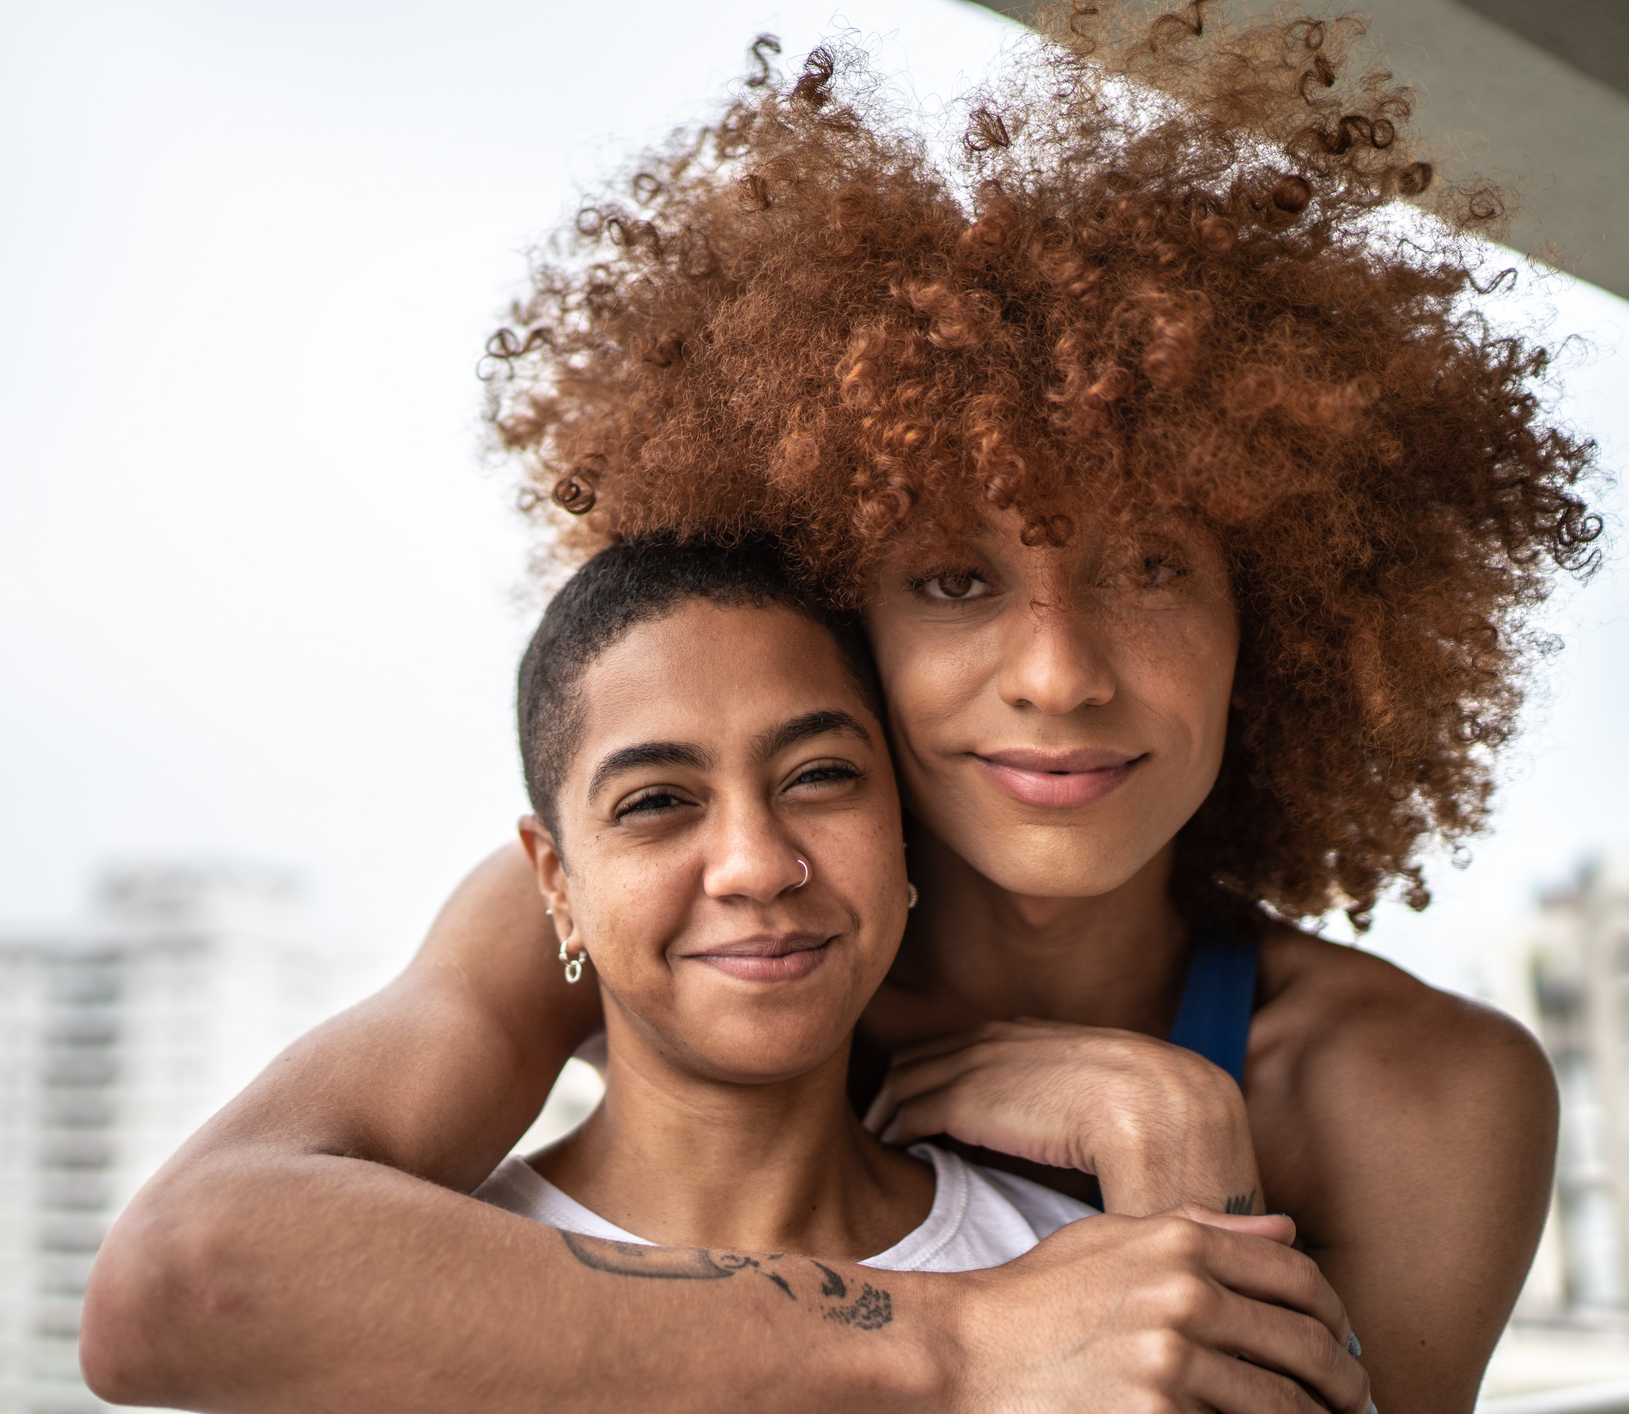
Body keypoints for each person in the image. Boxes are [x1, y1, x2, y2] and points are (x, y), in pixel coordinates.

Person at [83, 4, 1597, 1410]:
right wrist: (956, 1329)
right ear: (841, 624)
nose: (1060, 672)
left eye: (1150, 567)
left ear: (1282, 614)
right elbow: (188, 1273)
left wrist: (1179, 1149)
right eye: (951, 577)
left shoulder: (1415, 1095)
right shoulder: (696, 906)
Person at [484, 537, 1112, 1281]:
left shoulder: (1077, 1270)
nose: (759, 867)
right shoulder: (424, 1276)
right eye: (654, 801)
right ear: (557, 883)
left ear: (902, 823)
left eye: (818, 776)